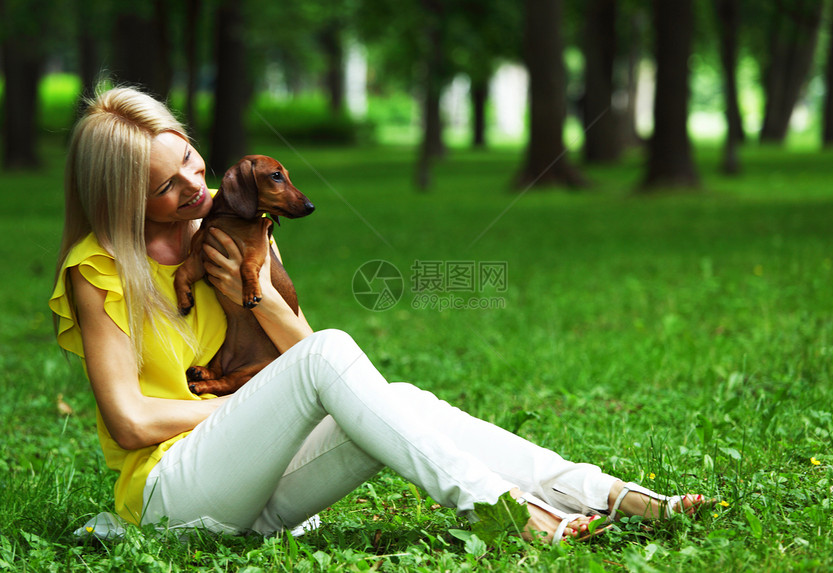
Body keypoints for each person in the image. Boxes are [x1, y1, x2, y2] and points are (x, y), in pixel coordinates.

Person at [50, 87, 708, 545]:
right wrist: (256, 405)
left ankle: (611, 494)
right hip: (174, 496)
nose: (196, 185)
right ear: (123, 198)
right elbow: (132, 420)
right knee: (338, 357)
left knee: (399, 396)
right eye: (167, 186)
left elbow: (308, 363)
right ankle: (511, 515)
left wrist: (258, 299)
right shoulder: (98, 269)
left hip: (258, 487)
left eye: (190, 159)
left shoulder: (230, 217)